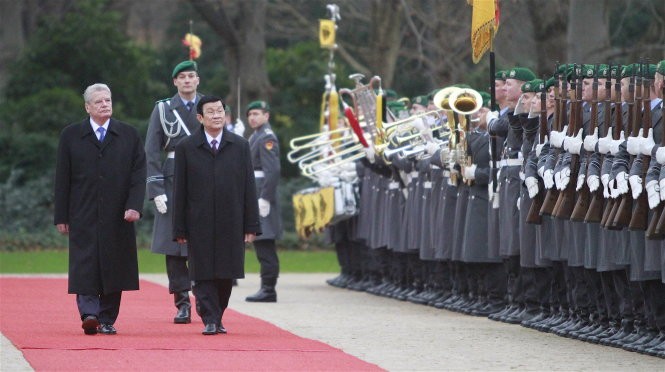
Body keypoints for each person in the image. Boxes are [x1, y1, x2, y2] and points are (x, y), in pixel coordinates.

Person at [54, 83, 146, 335]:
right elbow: (62, 178)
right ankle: (89, 313)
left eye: (108, 100)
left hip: (119, 214)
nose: (105, 104)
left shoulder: (128, 134)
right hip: (82, 212)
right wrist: (61, 215)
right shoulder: (71, 135)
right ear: (87, 107)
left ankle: (106, 318)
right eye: (99, 101)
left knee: (115, 264)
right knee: (85, 263)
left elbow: (139, 174)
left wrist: (134, 205)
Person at [172, 95, 260, 335]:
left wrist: (251, 225)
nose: (217, 115)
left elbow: (249, 187)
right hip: (197, 221)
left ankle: (217, 314)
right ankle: (210, 318)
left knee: (225, 273)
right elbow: (180, 190)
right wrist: (179, 228)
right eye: (210, 112)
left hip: (231, 220)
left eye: (220, 110)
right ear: (200, 118)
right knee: (201, 273)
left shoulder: (240, 145)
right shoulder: (186, 147)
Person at [144, 60, 201, 324]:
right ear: (175, 82)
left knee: (203, 242)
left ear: (197, 80)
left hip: (204, 175)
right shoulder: (163, 108)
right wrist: (156, 188)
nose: (188, 80)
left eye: (192, 76)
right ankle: (181, 301)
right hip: (172, 176)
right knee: (173, 245)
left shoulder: (211, 106)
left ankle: (203, 297)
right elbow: (152, 149)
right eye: (183, 77)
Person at [245, 100, 283, 302]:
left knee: (265, 242)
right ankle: (266, 287)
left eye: (257, 113)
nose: (252, 117)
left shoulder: (266, 137)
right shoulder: (256, 136)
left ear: (266, 116)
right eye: (250, 114)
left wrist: (265, 198)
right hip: (257, 193)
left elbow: (273, 170)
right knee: (261, 243)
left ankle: (269, 289)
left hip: (263, 195)